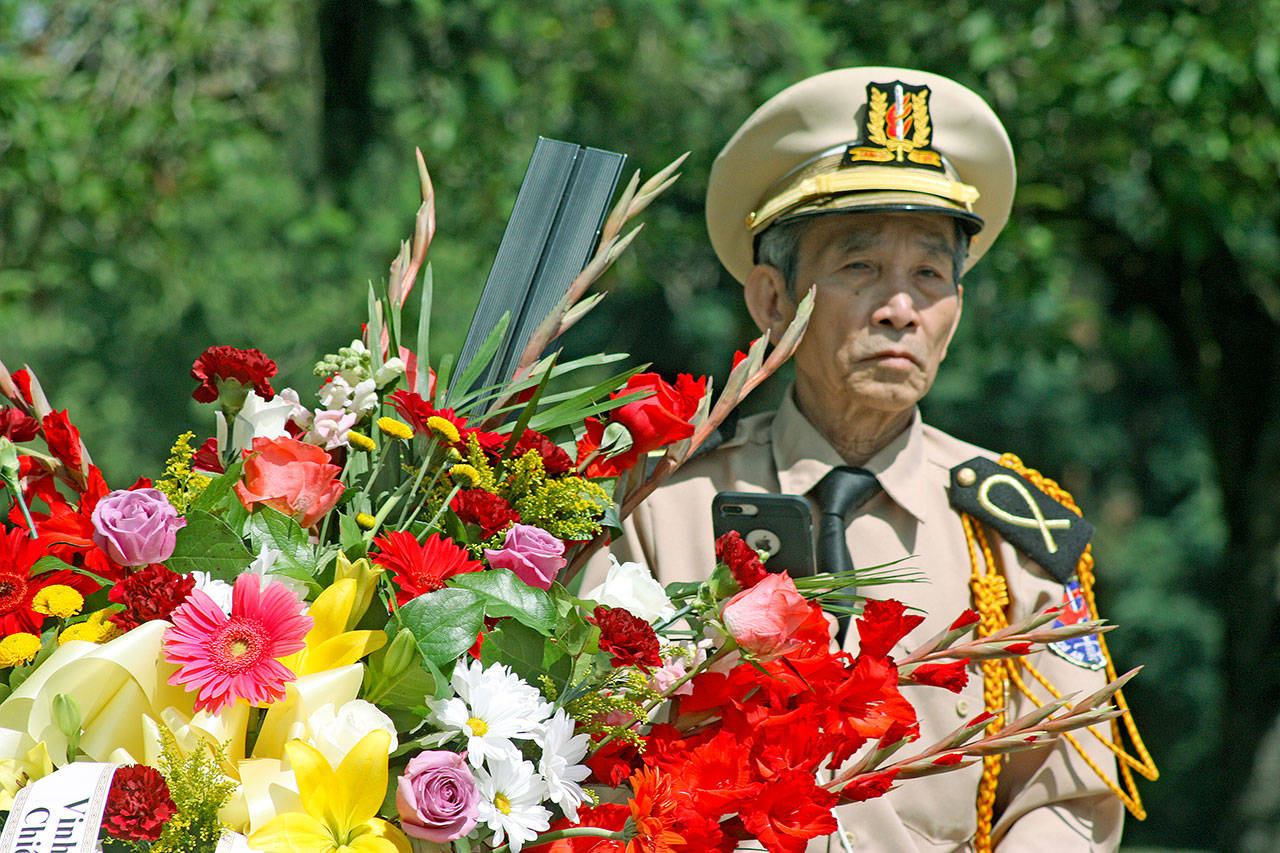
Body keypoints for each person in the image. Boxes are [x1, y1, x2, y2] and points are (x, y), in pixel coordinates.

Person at [587, 68, 1138, 851]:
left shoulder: (1013, 536)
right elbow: (601, 772)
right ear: (773, 301)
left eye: (929, 275)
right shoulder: (660, 510)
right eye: (859, 267)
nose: (900, 308)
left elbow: (1067, 798)